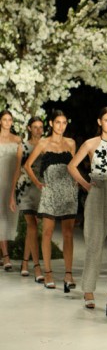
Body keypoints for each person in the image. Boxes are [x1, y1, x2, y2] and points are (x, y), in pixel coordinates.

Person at [67, 106, 107, 317]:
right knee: (94, 242)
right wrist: (86, 185)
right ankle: (88, 290)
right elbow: (72, 166)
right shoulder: (90, 143)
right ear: (99, 122)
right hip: (98, 188)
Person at [24, 109, 78, 290]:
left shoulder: (71, 143)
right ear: (51, 124)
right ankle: (48, 273)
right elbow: (27, 165)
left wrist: (76, 183)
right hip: (50, 193)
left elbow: (73, 166)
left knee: (68, 234)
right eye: (58, 122)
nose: (61, 126)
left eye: (64, 123)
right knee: (47, 232)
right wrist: (38, 183)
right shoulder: (43, 142)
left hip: (68, 193)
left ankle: (68, 274)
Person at [9, 116, 45, 282]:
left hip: (42, 189)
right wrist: (11, 195)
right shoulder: (22, 147)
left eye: (40, 127)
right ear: (29, 128)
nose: (38, 130)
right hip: (25, 189)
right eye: (35, 127)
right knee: (32, 225)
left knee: (34, 228)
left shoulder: (46, 145)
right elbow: (17, 170)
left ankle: (25, 263)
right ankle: (37, 267)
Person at [0, 109, 22, 271]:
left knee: (9, 216)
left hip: (11, 182)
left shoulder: (17, 140)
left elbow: (19, 166)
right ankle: (6, 256)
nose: (7, 122)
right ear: (0, 121)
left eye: (10, 120)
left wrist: (14, 188)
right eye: (5, 119)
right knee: (0, 216)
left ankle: (3, 254)